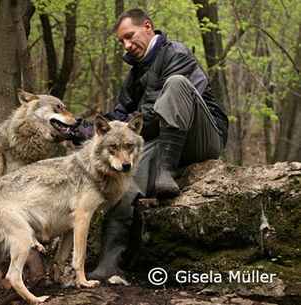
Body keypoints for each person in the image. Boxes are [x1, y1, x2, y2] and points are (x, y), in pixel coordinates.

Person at [70, 8, 229, 281]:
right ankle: (110, 262)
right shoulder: (134, 74)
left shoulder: (177, 54)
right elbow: (118, 119)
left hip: (203, 135)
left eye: (130, 37)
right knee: (123, 183)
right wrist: (79, 129)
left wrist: (131, 132)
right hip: (163, 138)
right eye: (122, 42)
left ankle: (165, 173)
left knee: (176, 85)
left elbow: (152, 115)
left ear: (147, 27)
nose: (127, 45)